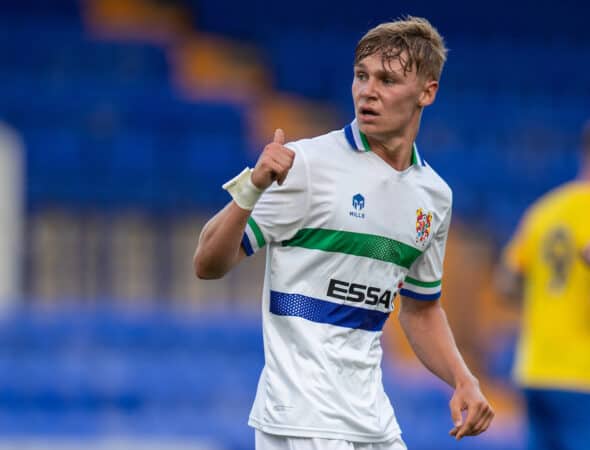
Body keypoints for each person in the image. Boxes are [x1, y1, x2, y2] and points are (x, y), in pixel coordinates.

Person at [194, 16, 494, 449]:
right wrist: (252, 187)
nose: (368, 91)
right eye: (361, 76)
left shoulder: (433, 197)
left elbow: (421, 310)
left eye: (387, 80)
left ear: (427, 92)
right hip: (300, 420)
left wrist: (463, 380)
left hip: (372, 420)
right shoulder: (305, 165)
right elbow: (207, 263)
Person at [497, 121, 590, 450]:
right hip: (581, 373)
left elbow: (506, 283)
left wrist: (548, 299)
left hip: (534, 367)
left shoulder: (543, 211)